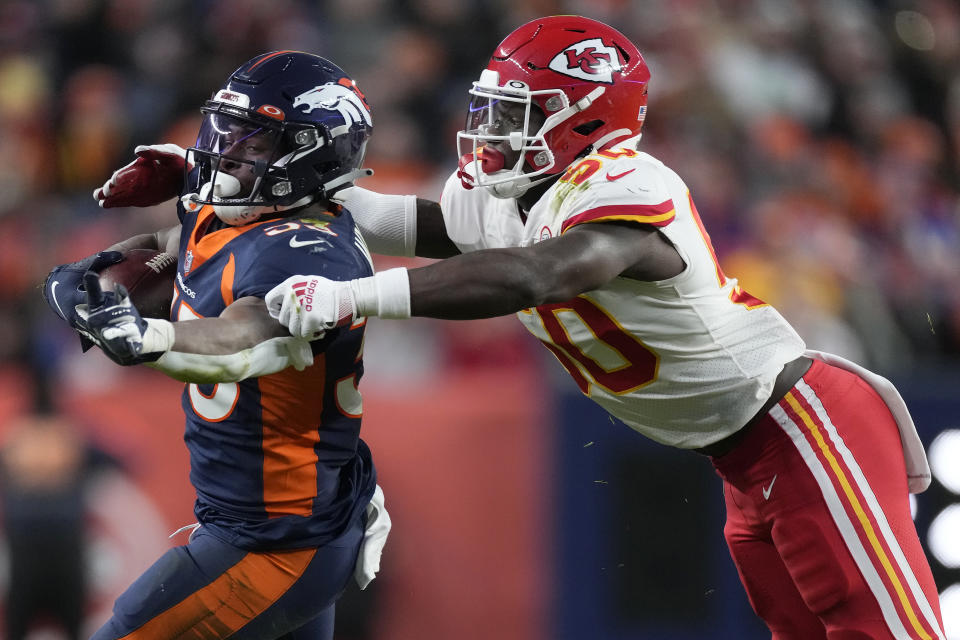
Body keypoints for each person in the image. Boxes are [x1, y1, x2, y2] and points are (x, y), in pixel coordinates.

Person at [259, 16, 946, 640]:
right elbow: (439, 228)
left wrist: (355, 295)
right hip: (742, 455)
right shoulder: (517, 194)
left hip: (802, 426)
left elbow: (538, 274)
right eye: (490, 108)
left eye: (516, 112)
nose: (491, 129)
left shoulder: (624, 183)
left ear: (586, 119)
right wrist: (312, 195)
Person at [43, 50, 390, 640]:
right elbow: (171, 242)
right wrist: (105, 271)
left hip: (275, 546)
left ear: (309, 153)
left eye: (251, 144)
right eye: (225, 132)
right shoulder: (234, 210)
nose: (224, 153)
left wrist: (149, 334)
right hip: (272, 527)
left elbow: (247, 331)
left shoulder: (311, 251)